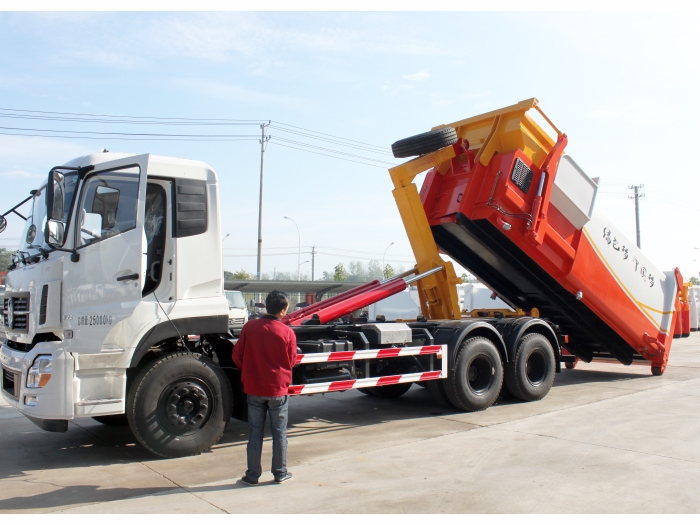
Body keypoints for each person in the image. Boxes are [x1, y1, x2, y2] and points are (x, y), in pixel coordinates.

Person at [232, 290, 297, 485]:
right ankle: (280, 473)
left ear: (266, 306)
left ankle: (252, 476)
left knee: (255, 433)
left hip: (254, 388)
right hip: (277, 390)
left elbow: (237, 355)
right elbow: (291, 361)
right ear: (282, 311)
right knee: (279, 433)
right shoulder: (287, 332)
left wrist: (249, 369)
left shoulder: (250, 327)